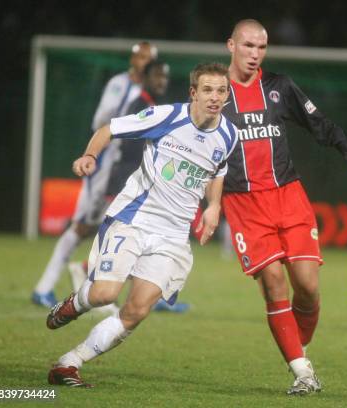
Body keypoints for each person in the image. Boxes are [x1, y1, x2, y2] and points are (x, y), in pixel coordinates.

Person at [45, 62, 237, 388]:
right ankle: (75, 303)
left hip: (173, 237)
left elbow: (217, 170)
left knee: (137, 311)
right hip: (134, 219)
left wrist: (213, 206)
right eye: (207, 90)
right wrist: (90, 155)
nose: (215, 97)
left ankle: (68, 364)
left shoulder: (229, 135)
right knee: (105, 294)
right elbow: (109, 129)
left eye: (221, 91)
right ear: (193, 92)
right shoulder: (167, 117)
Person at [221, 19, 347, 395]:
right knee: (273, 281)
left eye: (261, 47)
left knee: (306, 287)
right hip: (243, 202)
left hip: (288, 196)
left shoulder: (279, 87)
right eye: (248, 46)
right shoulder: (213, 91)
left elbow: (318, 122)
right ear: (231, 45)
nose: (255, 54)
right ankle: (302, 371)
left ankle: (296, 347)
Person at [32, 42, 158, 308]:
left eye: (149, 57)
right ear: (133, 58)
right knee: (83, 225)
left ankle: (144, 293)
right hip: (105, 164)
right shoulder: (120, 84)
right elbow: (101, 119)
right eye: (141, 55)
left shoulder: (148, 92)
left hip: (125, 165)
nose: (144, 61)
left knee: (127, 226)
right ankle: (45, 286)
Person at [68, 60, 189, 313]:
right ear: (145, 78)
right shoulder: (141, 105)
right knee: (121, 239)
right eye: (158, 76)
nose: (162, 82)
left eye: (165, 77)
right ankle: (85, 272)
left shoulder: (158, 106)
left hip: (137, 181)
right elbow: (122, 140)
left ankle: (152, 296)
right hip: (128, 180)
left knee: (142, 243)